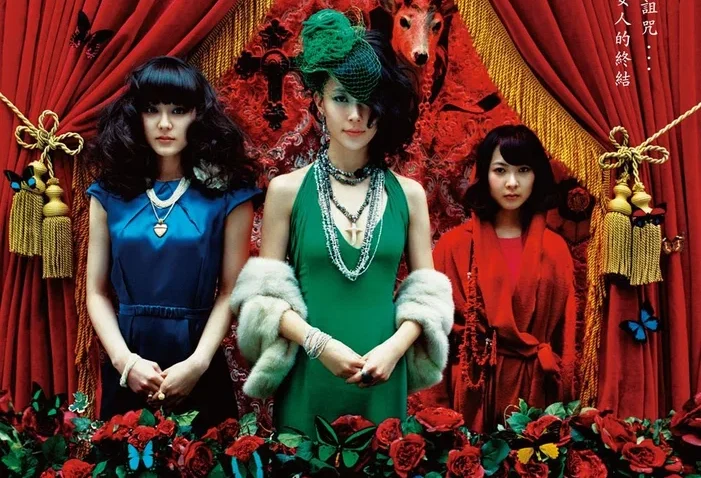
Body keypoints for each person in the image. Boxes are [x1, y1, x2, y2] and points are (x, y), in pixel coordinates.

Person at [230, 9, 453, 436]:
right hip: (310, 372)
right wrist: (320, 345)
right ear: (318, 102)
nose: (355, 115)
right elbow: (264, 300)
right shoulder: (286, 191)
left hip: (383, 376)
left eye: (367, 100)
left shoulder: (409, 195)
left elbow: (429, 300)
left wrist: (393, 350)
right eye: (341, 99)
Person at [85, 56, 260, 431]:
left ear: (198, 115)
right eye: (152, 110)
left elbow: (231, 291)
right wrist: (124, 362)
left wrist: (197, 364)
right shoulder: (107, 193)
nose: (165, 124)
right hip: (127, 360)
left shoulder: (230, 195)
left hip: (197, 359)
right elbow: (96, 292)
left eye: (178, 111)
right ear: (136, 116)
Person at [431, 124, 577, 432]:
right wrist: (437, 411)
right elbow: (433, 334)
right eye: (500, 170)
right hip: (473, 388)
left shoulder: (555, 250)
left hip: (536, 391)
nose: (512, 183)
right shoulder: (453, 247)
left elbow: (565, 336)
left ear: (537, 176)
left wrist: (564, 397)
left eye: (523, 170)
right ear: (484, 175)